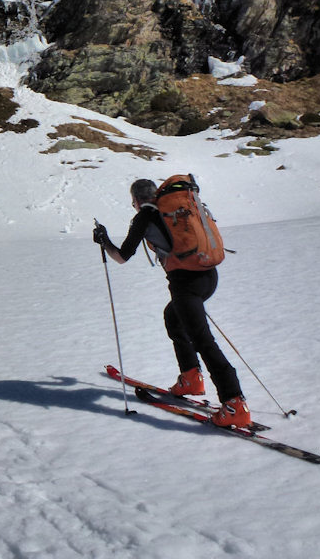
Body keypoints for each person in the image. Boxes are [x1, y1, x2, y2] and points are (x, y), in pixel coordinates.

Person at [93, 178, 251, 428]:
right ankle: (191, 377)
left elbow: (122, 257)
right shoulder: (176, 210)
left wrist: (104, 240)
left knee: (203, 340)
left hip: (186, 284)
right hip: (208, 276)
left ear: (135, 200)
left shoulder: (145, 216)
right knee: (174, 318)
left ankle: (234, 404)